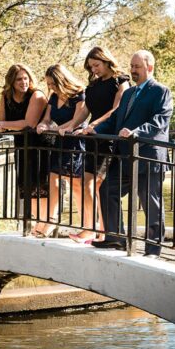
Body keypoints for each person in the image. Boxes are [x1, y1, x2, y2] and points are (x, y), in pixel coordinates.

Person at [82, 50, 173, 257]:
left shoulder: (161, 91)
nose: (132, 70)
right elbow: (115, 121)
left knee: (150, 202)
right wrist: (95, 129)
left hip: (148, 157)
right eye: (131, 66)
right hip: (124, 157)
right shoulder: (129, 93)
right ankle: (116, 239)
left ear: (149, 67)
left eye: (137, 67)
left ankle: (153, 249)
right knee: (106, 189)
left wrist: (135, 133)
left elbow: (160, 121)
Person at [63, 46, 129, 244]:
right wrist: (73, 126)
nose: (94, 70)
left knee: (101, 186)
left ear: (106, 61)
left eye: (96, 65)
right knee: (86, 183)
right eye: (91, 67)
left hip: (109, 140)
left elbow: (117, 110)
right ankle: (90, 228)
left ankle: (104, 231)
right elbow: (85, 111)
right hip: (93, 141)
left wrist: (95, 125)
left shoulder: (121, 82)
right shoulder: (92, 86)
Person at [31, 64, 90, 238]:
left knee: (77, 185)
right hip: (59, 143)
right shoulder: (53, 97)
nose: (50, 87)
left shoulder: (79, 94)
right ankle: (51, 219)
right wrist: (43, 124)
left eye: (52, 83)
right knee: (53, 178)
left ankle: (87, 226)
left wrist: (56, 129)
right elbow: (48, 119)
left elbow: (77, 120)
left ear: (61, 80)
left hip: (75, 143)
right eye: (48, 84)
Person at [0, 63, 48, 216]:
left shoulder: (37, 95)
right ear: (11, 82)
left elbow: (29, 124)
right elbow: (4, 123)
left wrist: (3, 124)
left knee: (42, 187)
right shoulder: (5, 96)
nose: (23, 82)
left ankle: (46, 223)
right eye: (19, 80)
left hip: (41, 146)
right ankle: (37, 223)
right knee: (28, 187)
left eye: (26, 78)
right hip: (21, 147)